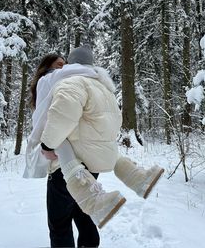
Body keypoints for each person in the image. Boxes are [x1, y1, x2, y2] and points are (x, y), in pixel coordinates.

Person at [39, 44, 165, 229]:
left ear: (71, 63)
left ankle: (95, 201)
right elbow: (114, 122)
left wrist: (47, 145)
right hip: (98, 155)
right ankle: (138, 178)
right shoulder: (104, 87)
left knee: (60, 224)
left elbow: (62, 114)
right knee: (83, 221)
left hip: (74, 161)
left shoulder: (72, 82)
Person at [25, 53, 100, 248]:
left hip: (64, 165)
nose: (65, 68)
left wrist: (45, 145)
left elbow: (47, 121)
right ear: (46, 66)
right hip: (89, 161)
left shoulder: (52, 80)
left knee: (60, 225)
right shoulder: (81, 83)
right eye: (60, 65)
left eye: (65, 65)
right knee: (82, 213)